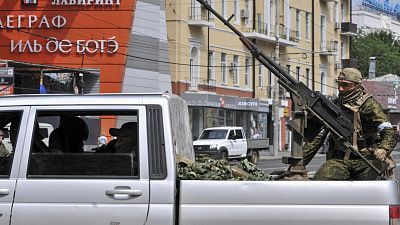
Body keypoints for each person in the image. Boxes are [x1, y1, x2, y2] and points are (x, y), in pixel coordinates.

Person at [302, 68, 397, 180]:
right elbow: (318, 138)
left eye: (346, 85)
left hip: (367, 160)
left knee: (370, 189)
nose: (340, 88)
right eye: (339, 84)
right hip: (340, 160)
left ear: (357, 85)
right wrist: (299, 163)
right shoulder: (334, 105)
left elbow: (388, 131)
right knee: (322, 180)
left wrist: (384, 148)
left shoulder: (369, 105)